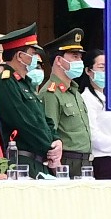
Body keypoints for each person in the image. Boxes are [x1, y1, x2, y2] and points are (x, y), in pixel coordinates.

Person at [0, 26, 59, 175]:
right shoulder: (6, 83)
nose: (35, 58)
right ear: (20, 56)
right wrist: (50, 147)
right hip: (23, 163)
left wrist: (56, 141)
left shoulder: (25, 82)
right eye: (32, 53)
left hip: (39, 162)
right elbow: (25, 122)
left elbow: (44, 119)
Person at [39, 32, 93, 179]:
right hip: (66, 162)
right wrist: (56, 167)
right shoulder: (51, 92)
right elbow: (49, 133)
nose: (80, 61)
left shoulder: (74, 91)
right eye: (75, 56)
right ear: (59, 60)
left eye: (80, 57)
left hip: (85, 160)